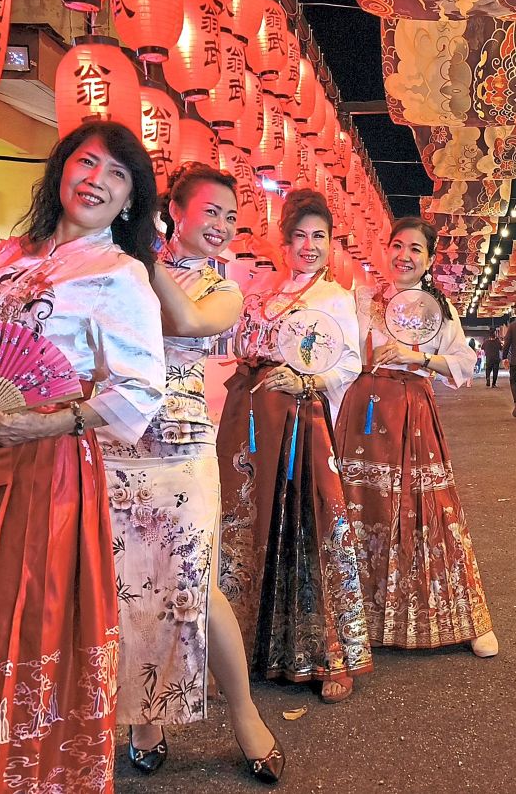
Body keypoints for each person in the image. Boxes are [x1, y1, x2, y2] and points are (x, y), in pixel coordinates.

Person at [0, 98, 167, 793]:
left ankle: (24, 771)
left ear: (130, 202)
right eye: (86, 160)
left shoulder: (121, 275)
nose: (97, 179)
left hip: (48, 462)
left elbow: (138, 392)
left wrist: (46, 424)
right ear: (61, 169)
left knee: (21, 613)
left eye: (118, 175)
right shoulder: (8, 257)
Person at [98, 163, 282, 782]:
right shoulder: (113, 268)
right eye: (211, 211)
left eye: (231, 217)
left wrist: (143, 258)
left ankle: (245, 713)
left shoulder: (221, 287)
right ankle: (143, 717)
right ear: (174, 210)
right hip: (110, 442)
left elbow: (186, 324)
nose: (223, 225)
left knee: (195, 585)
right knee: (123, 588)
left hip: (180, 449)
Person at [215, 188, 371, 705]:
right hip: (250, 418)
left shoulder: (336, 297)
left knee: (310, 519)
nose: (308, 246)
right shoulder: (260, 288)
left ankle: (328, 651)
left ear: (331, 244)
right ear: (284, 244)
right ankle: (241, 646)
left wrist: (307, 378)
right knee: (247, 521)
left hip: (302, 418)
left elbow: (348, 363)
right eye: (299, 236)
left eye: (318, 237)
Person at [334, 217, 498, 658]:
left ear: (428, 259)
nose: (404, 256)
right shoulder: (359, 299)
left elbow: (463, 363)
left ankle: (462, 616)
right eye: (397, 246)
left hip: (413, 412)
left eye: (416, 249)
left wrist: (419, 356)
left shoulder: (440, 309)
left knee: (427, 506)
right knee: (359, 503)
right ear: (385, 251)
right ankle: (355, 616)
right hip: (363, 412)